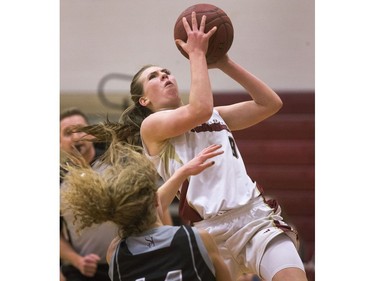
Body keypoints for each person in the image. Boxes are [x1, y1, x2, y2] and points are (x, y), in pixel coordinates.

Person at [78, 12, 307, 281]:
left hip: (253, 218)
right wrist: (197, 53)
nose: (164, 76)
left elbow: (270, 104)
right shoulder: (152, 126)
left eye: (167, 72)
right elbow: (200, 108)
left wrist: (224, 63)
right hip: (209, 232)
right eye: (154, 76)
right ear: (143, 101)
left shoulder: (214, 114)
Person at [60, 127, 232, 281]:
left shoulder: (115, 254)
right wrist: (182, 172)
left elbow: (147, 204)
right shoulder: (195, 238)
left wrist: (182, 173)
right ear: (155, 200)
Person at [60, 108, 118, 281]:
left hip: (128, 263)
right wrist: (77, 261)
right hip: (84, 271)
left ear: (92, 134)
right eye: (68, 133)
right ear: (58, 142)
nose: (76, 137)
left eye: (81, 130)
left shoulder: (117, 163)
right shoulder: (57, 179)